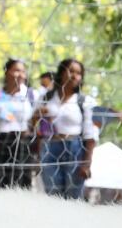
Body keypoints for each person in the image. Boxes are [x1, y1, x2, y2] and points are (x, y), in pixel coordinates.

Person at [31, 57, 97, 200]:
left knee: (72, 198)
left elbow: (89, 135)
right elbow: (32, 123)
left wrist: (87, 164)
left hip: (74, 149)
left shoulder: (83, 101)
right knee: (53, 197)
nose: (74, 75)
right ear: (61, 72)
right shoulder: (46, 97)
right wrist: (38, 116)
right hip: (49, 148)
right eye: (71, 71)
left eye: (78, 73)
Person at [0, 59, 35, 190]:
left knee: (21, 184)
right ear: (6, 72)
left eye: (23, 71)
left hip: (22, 142)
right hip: (1, 142)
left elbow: (36, 122)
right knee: (0, 182)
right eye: (17, 70)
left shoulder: (31, 95)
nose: (21, 75)